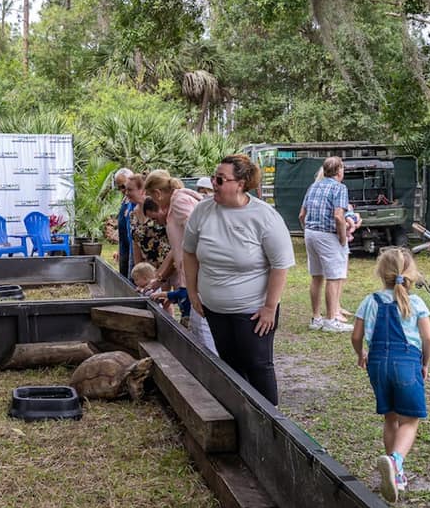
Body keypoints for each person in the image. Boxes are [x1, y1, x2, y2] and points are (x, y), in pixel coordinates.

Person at [182, 154, 294, 404]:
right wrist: (192, 292)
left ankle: (271, 421)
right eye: (213, 178)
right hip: (214, 308)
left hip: (253, 311)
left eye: (220, 180)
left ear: (240, 184)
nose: (213, 184)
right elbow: (188, 252)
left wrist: (269, 308)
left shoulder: (264, 216)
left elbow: (280, 265)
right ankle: (241, 414)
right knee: (229, 363)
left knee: (257, 364)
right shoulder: (202, 210)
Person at [350, 247, 430, 503]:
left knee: (391, 417)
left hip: (377, 363)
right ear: (411, 273)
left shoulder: (370, 300)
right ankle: (396, 462)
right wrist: (425, 363)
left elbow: (356, 336)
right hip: (406, 362)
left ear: (381, 272)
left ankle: (395, 475)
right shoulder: (416, 302)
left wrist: (360, 354)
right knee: (410, 420)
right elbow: (428, 338)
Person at [145, 170, 217, 354]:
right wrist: (160, 278)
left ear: (157, 193)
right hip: (192, 276)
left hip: (201, 276)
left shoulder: (179, 202)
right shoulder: (175, 204)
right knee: (197, 329)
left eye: (152, 196)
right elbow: (179, 246)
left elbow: (199, 234)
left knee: (204, 332)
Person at [299, 156, 352, 333]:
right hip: (328, 235)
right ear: (339, 171)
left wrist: (307, 230)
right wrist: (343, 238)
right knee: (334, 277)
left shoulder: (313, 186)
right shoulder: (340, 188)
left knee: (316, 276)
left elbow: (301, 215)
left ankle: (316, 318)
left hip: (310, 233)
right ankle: (331, 319)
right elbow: (338, 216)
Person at [114, 167, 135, 278]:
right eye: (120, 188)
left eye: (124, 186)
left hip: (134, 250)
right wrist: (119, 250)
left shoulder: (136, 201)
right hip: (124, 248)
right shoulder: (125, 200)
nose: (123, 190)